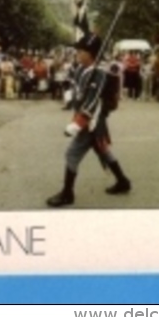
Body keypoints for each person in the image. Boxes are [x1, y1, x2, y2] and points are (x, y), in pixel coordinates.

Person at [47, 33, 131, 208]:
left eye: (81, 49)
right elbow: (76, 89)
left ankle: (67, 194)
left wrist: (77, 124)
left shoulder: (98, 73)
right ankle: (123, 181)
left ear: (91, 52)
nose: (77, 52)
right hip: (87, 120)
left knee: (72, 154)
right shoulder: (81, 69)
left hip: (90, 122)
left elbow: (92, 102)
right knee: (103, 151)